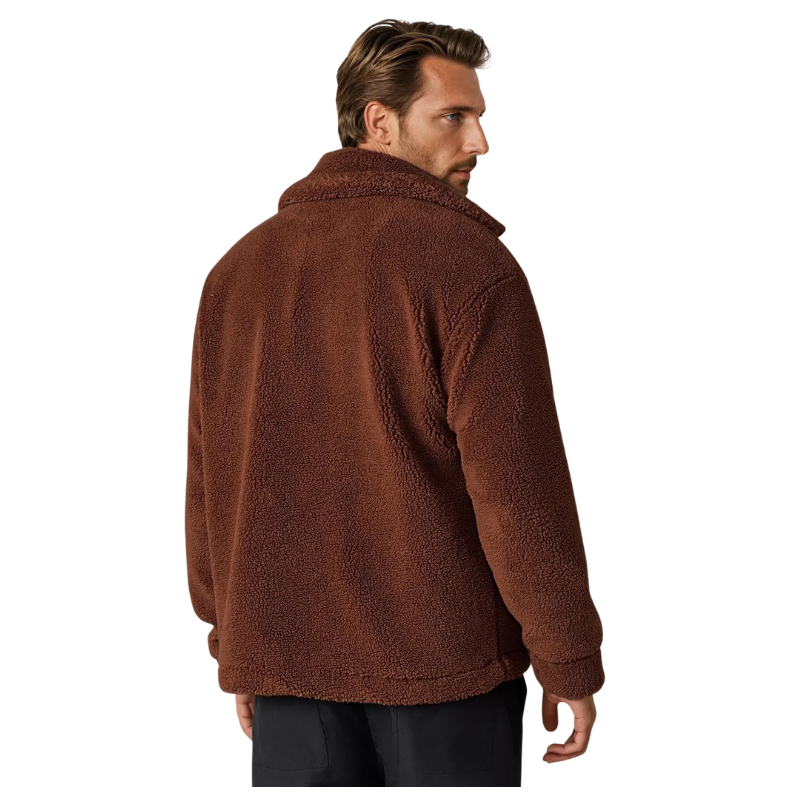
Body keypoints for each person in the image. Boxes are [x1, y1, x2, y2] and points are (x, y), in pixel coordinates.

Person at [184, 18, 605, 787]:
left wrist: (238, 647)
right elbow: (518, 493)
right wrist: (568, 655)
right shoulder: (469, 268)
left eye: (477, 117)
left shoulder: (237, 272)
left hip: (286, 670)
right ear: (378, 122)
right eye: (453, 117)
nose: (480, 142)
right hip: (445, 675)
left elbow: (210, 483)